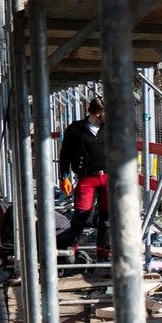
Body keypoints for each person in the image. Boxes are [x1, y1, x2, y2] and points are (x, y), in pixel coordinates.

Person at [58, 96, 108, 251]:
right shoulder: (76, 129)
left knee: (107, 216)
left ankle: (104, 252)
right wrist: (64, 175)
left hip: (108, 177)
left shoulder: (111, 129)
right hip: (87, 177)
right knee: (81, 213)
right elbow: (65, 154)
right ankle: (71, 250)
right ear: (98, 113)